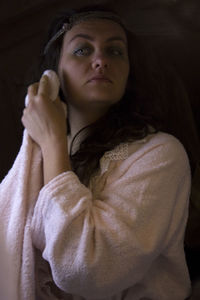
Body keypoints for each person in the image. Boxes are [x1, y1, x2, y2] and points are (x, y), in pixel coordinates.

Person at [21, 4, 198, 300]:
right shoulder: (32, 162)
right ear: (52, 74)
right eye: (82, 50)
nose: (101, 60)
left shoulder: (160, 154)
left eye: (115, 51)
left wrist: (52, 142)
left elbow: (86, 269)